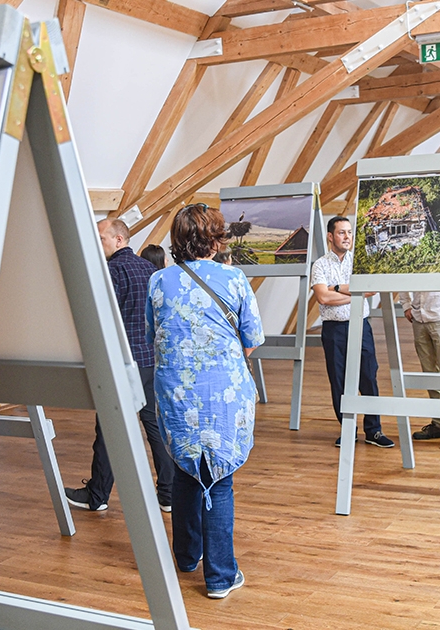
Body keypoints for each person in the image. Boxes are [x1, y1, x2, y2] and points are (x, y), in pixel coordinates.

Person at [146, 203, 264, 598]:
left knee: (184, 470)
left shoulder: (159, 281)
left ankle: (185, 556)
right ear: (215, 240)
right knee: (219, 478)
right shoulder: (234, 279)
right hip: (221, 390)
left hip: (175, 389)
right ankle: (219, 576)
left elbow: (153, 336)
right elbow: (252, 340)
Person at [65, 218, 174, 512]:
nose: (96, 243)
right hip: (150, 361)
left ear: (119, 240)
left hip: (123, 364)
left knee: (109, 430)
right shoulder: (151, 270)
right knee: (155, 427)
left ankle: (97, 496)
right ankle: (168, 494)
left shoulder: (112, 272)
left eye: (101, 238)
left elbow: (100, 319)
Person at [311, 216, 394, 448]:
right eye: (341, 233)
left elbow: (370, 290)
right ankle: (347, 429)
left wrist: (336, 287)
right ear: (330, 236)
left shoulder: (360, 261)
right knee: (338, 380)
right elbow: (322, 297)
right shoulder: (320, 265)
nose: (347, 237)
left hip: (361, 325)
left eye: (349, 232)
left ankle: (373, 431)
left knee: (368, 376)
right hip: (333, 330)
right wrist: (351, 291)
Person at [399, 291, 440, 449]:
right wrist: (406, 305)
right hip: (419, 317)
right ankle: (439, 423)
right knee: (429, 373)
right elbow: (402, 279)